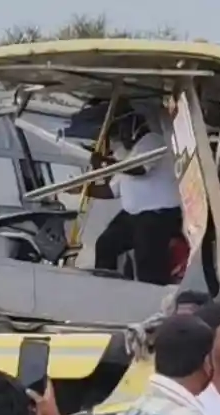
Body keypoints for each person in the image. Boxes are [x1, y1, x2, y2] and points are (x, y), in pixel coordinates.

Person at [86, 105, 184, 285]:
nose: (120, 136)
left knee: (147, 263)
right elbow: (110, 191)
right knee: (106, 244)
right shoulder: (127, 155)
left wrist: (106, 163)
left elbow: (140, 169)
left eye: (122, 131)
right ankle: (104, 286)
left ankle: (154, 294)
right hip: (134, 216)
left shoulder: (152, 141)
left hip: (158, 214)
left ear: (133, 128)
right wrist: (84, 188)